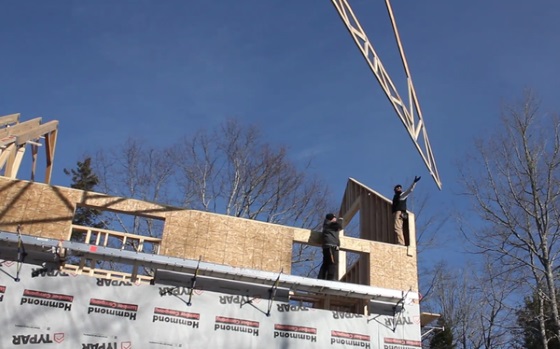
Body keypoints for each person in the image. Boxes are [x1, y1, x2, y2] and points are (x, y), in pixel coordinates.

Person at [392, 176, 421, 245]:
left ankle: (400, 243)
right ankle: (400, 242)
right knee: (397, 228)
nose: (399, 188)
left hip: (399, 213)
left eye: (400, 188)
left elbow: (409, 190)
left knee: (397, 227)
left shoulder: (401, 195)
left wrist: (414, 183)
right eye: (397, 188)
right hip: (397, 213)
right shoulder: (396, 197)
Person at [318, 213, 342, 281]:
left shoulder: (328, 225)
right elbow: (339, 226)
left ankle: (321, 279)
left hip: (328, 246)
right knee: (332, 263)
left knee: (326, 263)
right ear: (331, 218)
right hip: (330, 246)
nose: (335, 219)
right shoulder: (330, 225)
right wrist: (340, 221)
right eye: (334, 218)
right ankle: (330, 279)